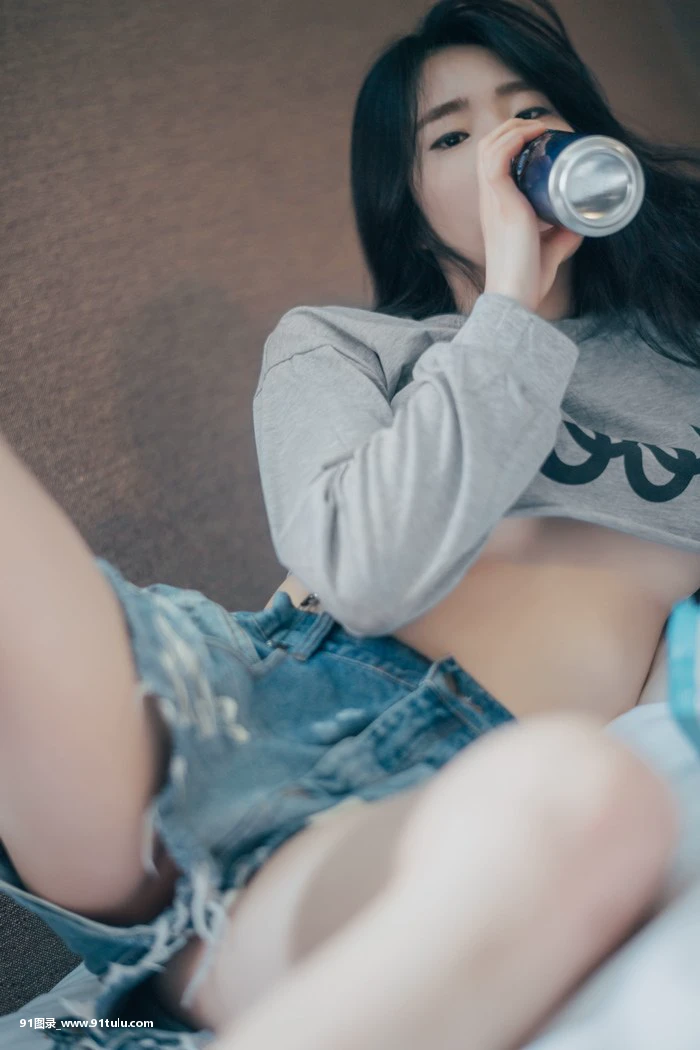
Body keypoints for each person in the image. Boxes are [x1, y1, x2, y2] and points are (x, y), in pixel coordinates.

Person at [0, 1, 698, 1048]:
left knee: (590, 807)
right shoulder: (345, 345)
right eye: (452, 136)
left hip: (406, 809)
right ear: (408, 209)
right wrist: (511, 302)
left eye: (530, 112)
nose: (507, 145)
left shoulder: (680, 364)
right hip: (226, 702)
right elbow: (363, 571)